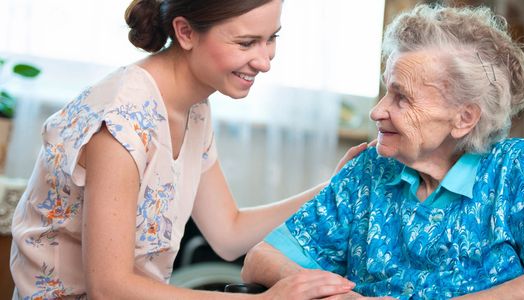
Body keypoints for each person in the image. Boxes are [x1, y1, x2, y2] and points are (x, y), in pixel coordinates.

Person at [241, 4, 524, 299]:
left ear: (463, 118)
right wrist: (333, 293)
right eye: (386, 91)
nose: (377, 111)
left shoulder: (515, 169)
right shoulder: (370, 170)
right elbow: (261, 259)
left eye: (402, 97)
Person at [9, 0, 363, 299]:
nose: (265, 61)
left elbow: (229, 233)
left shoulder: (193, 108)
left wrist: (334, 187)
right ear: (186, 32)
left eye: (272, 39)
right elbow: (109, 287)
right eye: (246, 43)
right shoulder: (122, 120)